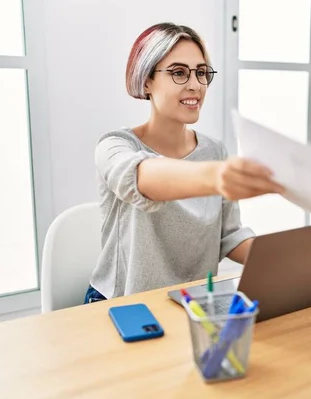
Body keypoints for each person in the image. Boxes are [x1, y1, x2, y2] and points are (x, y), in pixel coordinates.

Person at [84, 23, 284, 303]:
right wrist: (217, 177)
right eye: (179, 73)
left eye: (201, 73)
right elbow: (141, 178)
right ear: (146, 81)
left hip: (194, 302)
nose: (195, 85)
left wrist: (284, 261)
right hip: (123, 304)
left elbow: (229, 236)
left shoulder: (215, 151)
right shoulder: (115, 146)